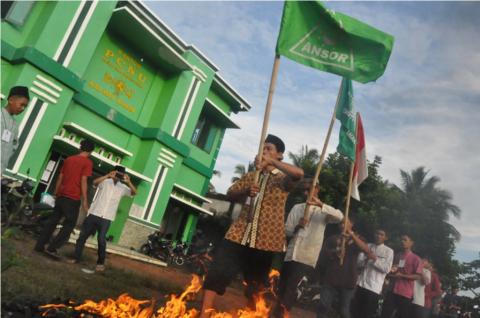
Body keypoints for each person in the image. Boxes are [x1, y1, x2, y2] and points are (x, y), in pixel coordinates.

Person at [199, 134, 304, 318]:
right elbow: (231, 193)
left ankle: (252, 314)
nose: (264, 152)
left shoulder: (282, 179)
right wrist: (246, 190)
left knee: (255, 287)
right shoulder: (251, 176)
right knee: (217, 273)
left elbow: (299, 174)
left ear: (280, 155)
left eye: (269, 149)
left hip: (265, 241)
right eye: (262, 148)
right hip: (238, 234)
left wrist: (271, 162)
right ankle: (203, 315)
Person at [273, 178, 343, 317]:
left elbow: (339, 217)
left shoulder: (323, 211)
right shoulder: (297, 207)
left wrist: (320, 204)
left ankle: (281, 314)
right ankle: (275, 313)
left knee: (291, 289)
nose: (306, 192)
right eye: (304, 190)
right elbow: (286, 230)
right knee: (282, 287)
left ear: (317, 189)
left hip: (306, 257)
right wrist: (297, 226)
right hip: (291, 254)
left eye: (309, 189)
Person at [68, 166, 136, 272]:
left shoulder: (123, 187)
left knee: (101, 240)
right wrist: (108, 175)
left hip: (107, 217)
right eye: (117, 173)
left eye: (120, 174)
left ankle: (100, 263)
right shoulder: (105, 181)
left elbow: (134, 192)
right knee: (82, 237)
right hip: (94, 213)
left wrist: (129, 182)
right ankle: (75, 258)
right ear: (113, 172)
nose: (118, 176)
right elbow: (94, 183)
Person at [34, 139, 95, 257]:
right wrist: (85, 201)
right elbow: (83, 181)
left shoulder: (69, 159)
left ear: (80, 148)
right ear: (91, 151)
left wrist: (57, 193)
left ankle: (39, 245)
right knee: (69, 224)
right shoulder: (87, 163)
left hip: (61, 196)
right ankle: (52, 248)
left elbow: (60, 177)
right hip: (72, 198)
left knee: (52, 222)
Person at [316, 218, 374, 318]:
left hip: (348, 279)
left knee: (344, 310)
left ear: (351, 224)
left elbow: (367, 250)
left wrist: (352, 235)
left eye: (345, 223)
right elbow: (323, 254)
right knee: (323, 306)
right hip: (331, 277)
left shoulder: (357, 239)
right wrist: (336, 251)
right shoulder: (333, 238)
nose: (342, 225)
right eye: (341, 223)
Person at [354, 229, 394, 318]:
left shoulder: (389, 251)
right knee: (355, 312)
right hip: (361, 284)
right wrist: (365, 259)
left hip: (373, 288)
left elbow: (387, 269)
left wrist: (374, 259)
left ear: (386, 237)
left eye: (381, 234)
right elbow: (358, 263)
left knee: (366, 314)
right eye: (377, 233)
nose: (378, 236)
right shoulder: (367, 246)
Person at [381, 234, 423, 318]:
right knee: (385, 313)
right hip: (392, 290)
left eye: (405, 240)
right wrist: (391, 272)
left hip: (405, 294)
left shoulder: (416, 259)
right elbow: (392, 270)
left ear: (411, 243)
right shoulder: (397, 255)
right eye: (401, 239)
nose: (402, 241)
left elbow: (417, 276)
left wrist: (402, 275)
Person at [1, 86, 29, 173]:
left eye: (25, 106)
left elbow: (14, 147)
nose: (23, 109)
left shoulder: (15, 125)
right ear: (11, 100)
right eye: (22, 104)